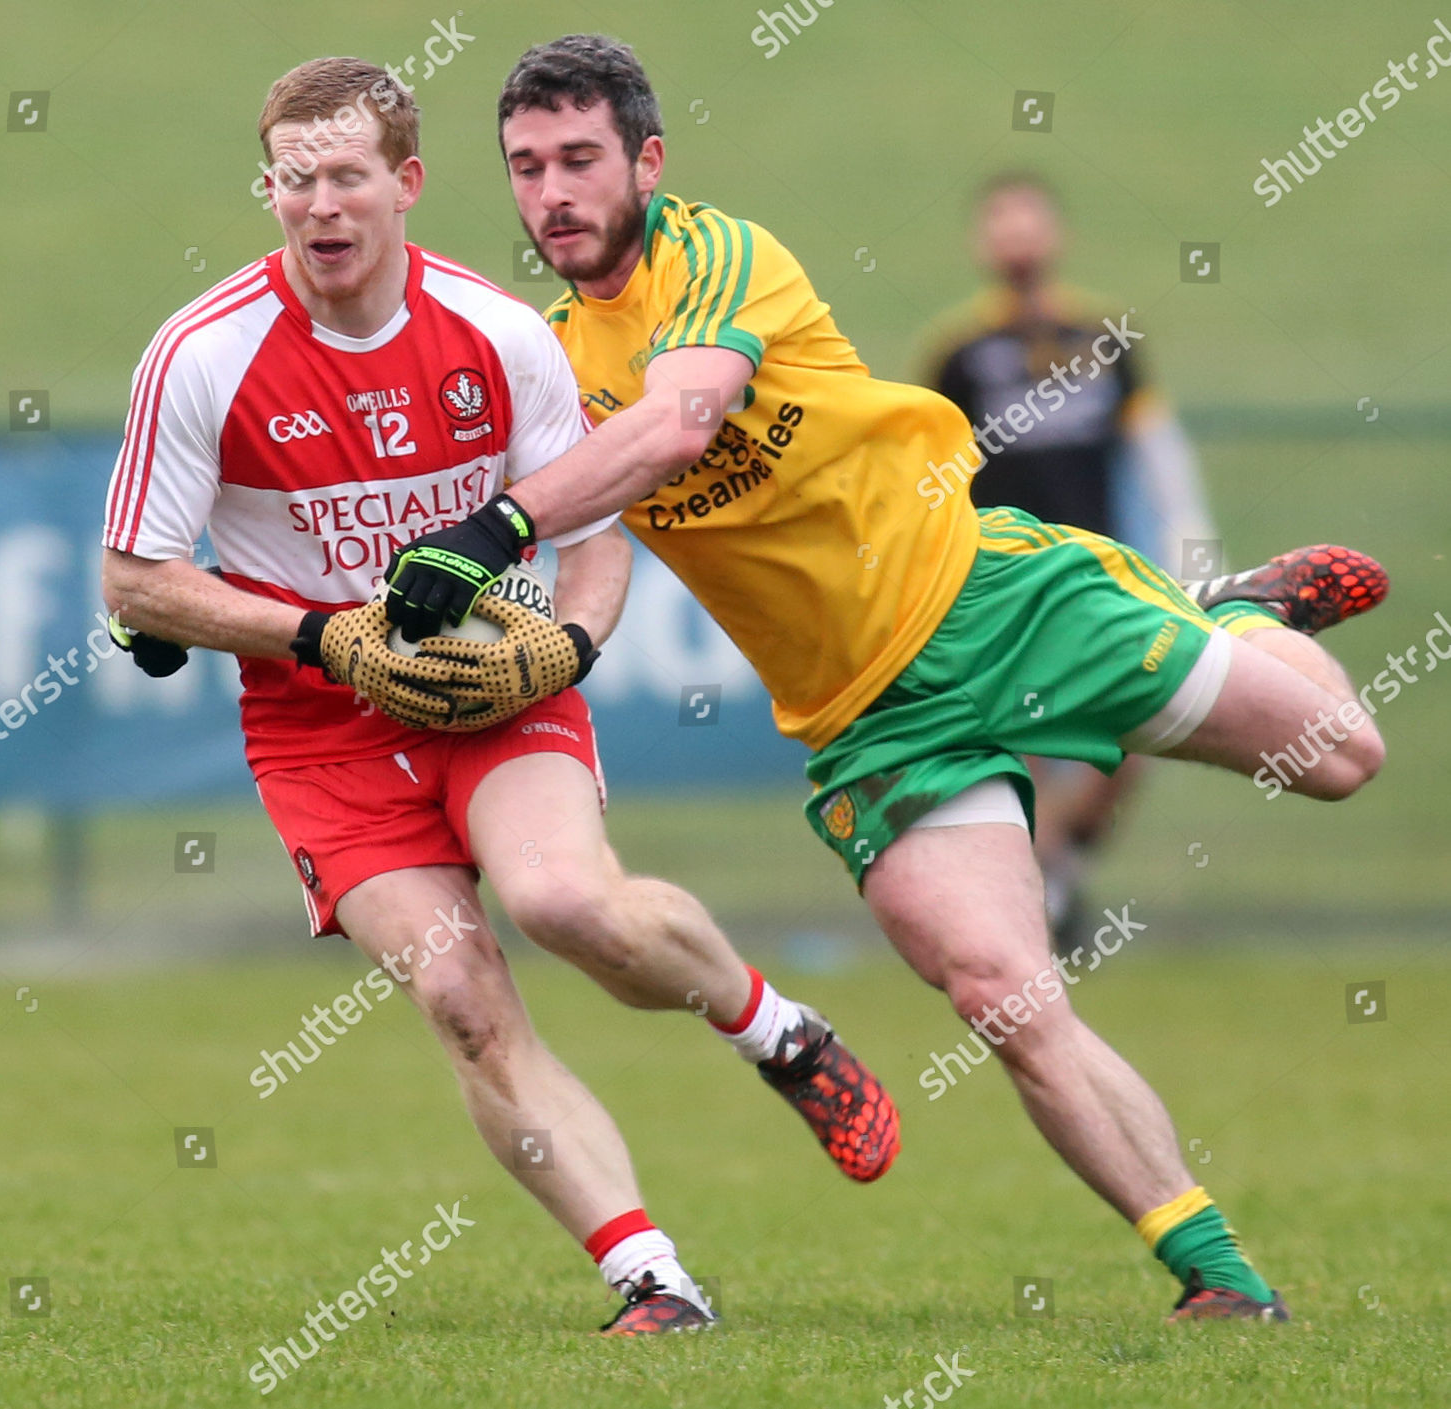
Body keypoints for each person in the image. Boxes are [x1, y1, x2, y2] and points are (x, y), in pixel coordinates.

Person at [381, 33, 1390, 1323]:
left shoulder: (719, 255)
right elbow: (599, 517)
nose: (551, 193)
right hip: (873, 722)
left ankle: (1232, 613)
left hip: (997, 598)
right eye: (525, 168)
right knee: (1003, 997)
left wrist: (493, 530)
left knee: (1343, 762)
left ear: (647, 159)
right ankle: (1222, 1283)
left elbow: (679, 425)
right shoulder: (547, 355)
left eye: (579, 158)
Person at [99, 56, 899, 1339]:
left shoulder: (500, 332)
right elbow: (135, 581)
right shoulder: (201, 353)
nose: (321, 206)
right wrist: (322, 636)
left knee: (561, 898)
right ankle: (653, 1277)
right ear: (270, 190)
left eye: (348, 176)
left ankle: (777, 1028)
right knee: (460, 994)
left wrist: (568, 648)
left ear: (406, 184)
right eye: (294, 180)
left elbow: (594, 532)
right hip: (319, 723)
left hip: (493, 677)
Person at [913, 172, 1220, 949]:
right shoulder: (960, 348)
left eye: (1028, 220)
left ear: (1056, 234)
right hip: (1000, 580)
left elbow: (1154, 447)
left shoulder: (1103, 334)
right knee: (1019, 747)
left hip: (1099, 575)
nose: (1015, 236)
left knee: (1133, 737)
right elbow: (923, 461)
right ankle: (1037, 895)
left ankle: (1054, 868)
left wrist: (1190, 531)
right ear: (981, 242)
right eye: (1000, 222)